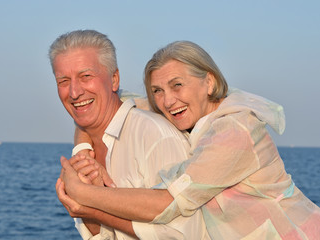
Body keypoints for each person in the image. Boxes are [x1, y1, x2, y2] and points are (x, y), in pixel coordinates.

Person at [58, 40, 320, 239]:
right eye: (157, 91)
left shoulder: (236, 130)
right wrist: (83, 149)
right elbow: (91, 108)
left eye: (177, 85)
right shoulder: (182, 111)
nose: (168, 100)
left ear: (209, 82)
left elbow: (171, 201)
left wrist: (84, 196)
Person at [49, 30, 209, 239]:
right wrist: (85, 210)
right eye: (63, 81)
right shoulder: (85, 152)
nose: (74, 92)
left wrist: (91, 206)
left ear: (114, 79)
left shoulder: (153, 136)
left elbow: (187, 234)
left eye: (85, 76)